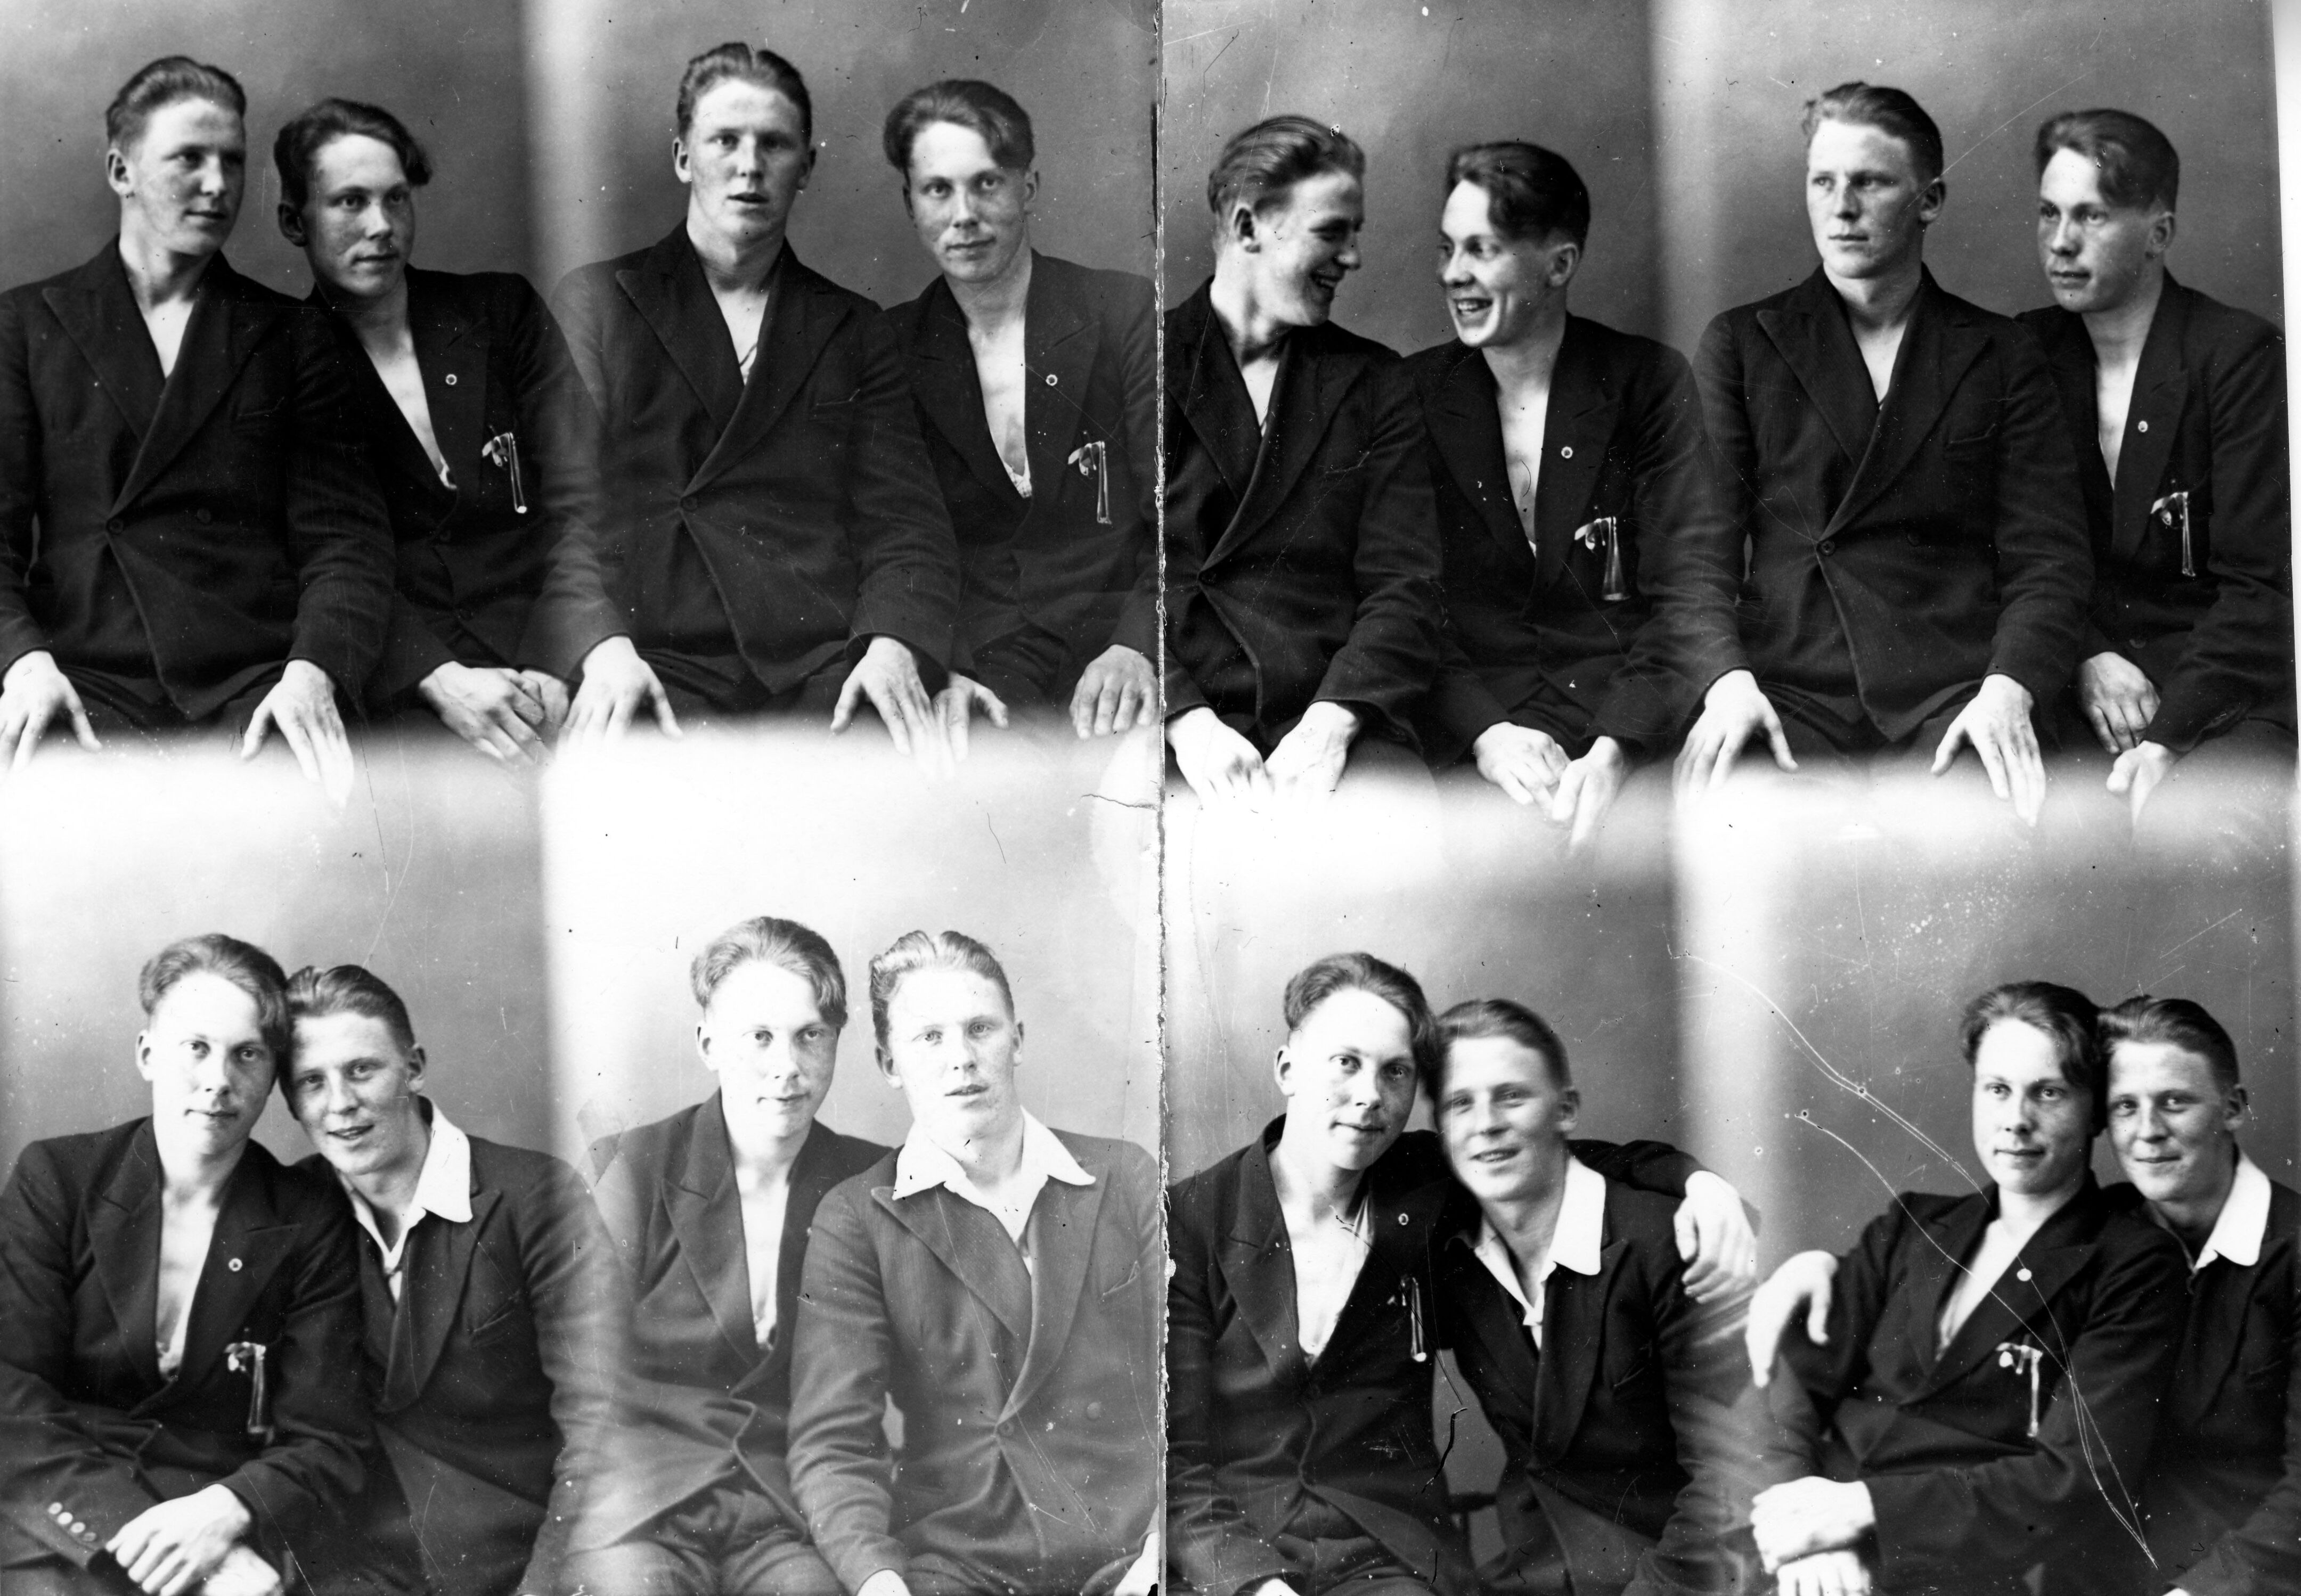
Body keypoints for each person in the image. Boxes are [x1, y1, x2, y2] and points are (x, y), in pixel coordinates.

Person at [1165, 952, 1758, 1596]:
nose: (1370, 1096)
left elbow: (1549, 1156)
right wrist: (1252, 1585)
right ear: (1287, 1069)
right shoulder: (1192, 1219)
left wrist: (1697, 1182)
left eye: (1395, 1072)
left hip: (1383, 1558)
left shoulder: (1420, 1186)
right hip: (1233, 1556)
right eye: (1345, 1063)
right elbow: (1176, 1459)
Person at [1749, 994, 2300, 1596]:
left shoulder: (2152, 1257)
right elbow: (1795, 1389)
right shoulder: (2095, 1223)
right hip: (2049, 1568)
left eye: (2175, 1101)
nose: (2148, 1131)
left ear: (2233, 1107)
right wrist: (1815, 1266)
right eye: (2126, 1105)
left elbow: (2079, 1473)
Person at [1676, 84, 2092, 825]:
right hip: (1790, 691)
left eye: (1869, 183)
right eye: (1823, 182)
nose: (1841, 208)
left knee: (1977, 829)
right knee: (1755, 833)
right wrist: (1726, 682)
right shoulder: (1743, 345)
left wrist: (2010, 688)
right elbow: (1694, 555)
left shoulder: (2000, 353)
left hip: (1956, 692)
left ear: (1929, 201)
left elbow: (2050, 560)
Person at [551, 43, 961, 760]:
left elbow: (907, 526)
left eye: (774, 144)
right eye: (725, 141)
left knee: (898, 765)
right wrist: (602, 646)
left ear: (807, 166)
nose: (749, 165)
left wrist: (892, 645)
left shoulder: (852, 327)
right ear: (684, 157)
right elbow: (562, 513)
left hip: (818, 667)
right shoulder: (599, 303)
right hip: (656, 658)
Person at [0, 58, 395, 797]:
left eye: (233, 161)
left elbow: (347, 542)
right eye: (190, 158)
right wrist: (22, 664)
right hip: (83, 678)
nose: (219, 185)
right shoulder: (26, 326)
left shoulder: (293, 335)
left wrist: (313, 672)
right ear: (121, 171)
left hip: (254, 685)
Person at [273, 97, 673, 764]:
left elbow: (586, 497)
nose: (381, 226)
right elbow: (318, 557)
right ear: (295, 221)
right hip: (407, 687)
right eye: (350, 203)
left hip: (551, 653)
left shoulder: (500, 313)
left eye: (397, 199)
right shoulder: (280, 362)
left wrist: (565, 652)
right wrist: (437, 679)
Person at [787, 930, 1162, 1596]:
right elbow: (834, 1446)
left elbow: (1190, 1394)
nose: (961, 1058)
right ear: (889, 1062)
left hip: (1131, 1553)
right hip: (962, 1563)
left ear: (1017, 1039)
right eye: (929, 1037)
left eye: (980, 1029)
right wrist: (880, 1583)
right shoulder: (856, 1219)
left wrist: (1161, 1551)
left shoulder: (1123, 1177)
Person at [0, 935, 366, 1596]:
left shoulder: (309, 1217)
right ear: (148, 1054)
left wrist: (227, 1515)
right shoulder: (58, 1178)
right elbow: (10, 1392)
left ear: (273, 1074)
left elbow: (327, 1435)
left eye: (247, 1054)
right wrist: (154, 1543)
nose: (218, 1080)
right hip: (57, 1513)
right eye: (195, 1047)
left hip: (218, 1513)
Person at [1429, 999, 1791, 1595]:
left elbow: (1736, 1474)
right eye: (1459, 1103)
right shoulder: (1453, 1258)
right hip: (1536, 1571)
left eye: (1512, 1096)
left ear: (1566, 1109)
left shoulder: (1670, 1243)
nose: (1485, 1123)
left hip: (1684, 1573)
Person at [280, 964, 622, 1596]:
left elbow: (603, 1426)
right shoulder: (292, 1208)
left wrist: (544, 1588)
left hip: (518, 1563)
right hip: (351, 1571)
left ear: (413, 1067)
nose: (341, 1103)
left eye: (362, 1070)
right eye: (311, 1081)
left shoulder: (535, 1198)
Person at [1407, 143, 1713, 845]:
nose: (1453, 274)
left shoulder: (1648, 384)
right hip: (1470, 736)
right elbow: (1404, 602)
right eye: (1448, 249)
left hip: (1625, 722)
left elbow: (1688, 594)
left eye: (1482, 250)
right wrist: (1487, 734)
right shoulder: (1411, 396)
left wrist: (1616, 747)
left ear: (1560, 264)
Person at [569, 916, 885, 1594]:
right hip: (647, 1509)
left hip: (790, 1510)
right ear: (709, 1045)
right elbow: (575, 1374)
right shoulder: (634, 1170)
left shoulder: (870, 1183)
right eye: (760, 1037)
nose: (788, 1066)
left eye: (811, 1035)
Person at [2015, 110, 2294, 824]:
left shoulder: (2237, 357)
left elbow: (2260, 587)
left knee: (2206, 832)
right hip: (2079, 684)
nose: (2061, 242)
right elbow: (2000, 552)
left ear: (2159, 233)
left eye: (2092, 216)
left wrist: (2168, 740)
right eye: (2049, 213)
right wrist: (2085, 657)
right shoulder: (2023, 354)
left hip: (2219, 694)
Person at [1163, 117, 1445, 807]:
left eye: (1356, 233)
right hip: (1180, 722)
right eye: (1332, 232)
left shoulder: (1376, 383)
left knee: (1396, 829)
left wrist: (1333, 722)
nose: (1353, 258)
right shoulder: (1140, 366)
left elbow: (1406, 587)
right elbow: (1105, 580)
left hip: (1337, 717)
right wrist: (1184, 721)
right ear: (1248, 227)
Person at [878, 80, 1159, 748]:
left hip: (1122, 640)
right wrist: (947, 667)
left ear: (1028, 187)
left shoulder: (1122, 311)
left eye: (987, 184)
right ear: (911, 203)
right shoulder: (890, 347)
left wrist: (1139, 644)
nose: (964, 215)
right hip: (988, 658)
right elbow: (895, 537)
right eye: (938, 190)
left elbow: (1179, 514)